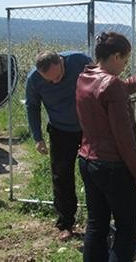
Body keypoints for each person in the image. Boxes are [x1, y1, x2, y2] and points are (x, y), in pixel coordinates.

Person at [76, 32, 136, 261]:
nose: (126, 66)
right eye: (125, 60)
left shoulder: (85, 77)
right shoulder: (112, 84)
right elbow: (124, 138)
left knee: (97, 224)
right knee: (127, 229)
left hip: (87, 160)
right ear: (116, 56)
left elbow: (122, 87)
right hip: (112, 167)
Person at [25, 50, 92, 241]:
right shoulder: (34, 79)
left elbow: (100, 84)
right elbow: (32, 106)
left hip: (88, 128)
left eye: (58, 76)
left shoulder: (80, 61)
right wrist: (37, 137)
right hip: (60, 131)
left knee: (95, 173)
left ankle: (98, 221)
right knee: (62, 177)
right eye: (50, 80)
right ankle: (66, 223)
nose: (55, 82)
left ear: (61, 62)